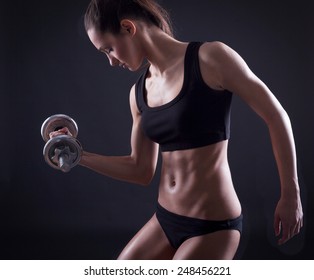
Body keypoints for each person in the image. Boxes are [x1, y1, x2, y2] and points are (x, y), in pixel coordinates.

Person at [52, 0, 303, 259]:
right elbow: (140, 170)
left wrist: (290, 194)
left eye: (109, 49)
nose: (112, 62)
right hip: (165, 220)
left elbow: (276, 115)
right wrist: (79, 155)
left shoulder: (210, 58)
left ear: (128, 28)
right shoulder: (138, 93)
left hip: (213, 226)